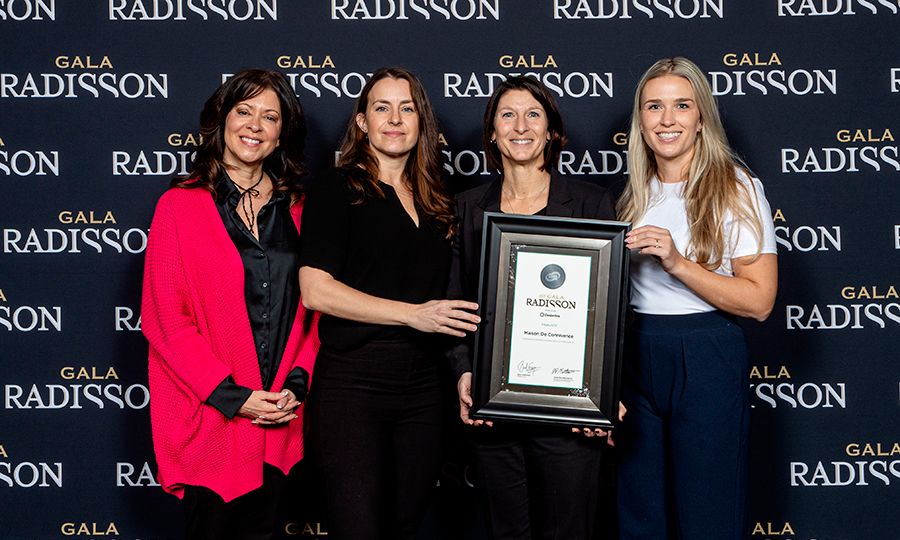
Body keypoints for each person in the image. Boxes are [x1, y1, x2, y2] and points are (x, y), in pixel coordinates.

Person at [298, 66, 480, 540]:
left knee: (405, 526)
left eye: (407, 108)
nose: (395, 119)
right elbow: (316, 290)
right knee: (358, 528)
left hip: (425, 386)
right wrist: (412, 314)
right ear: (362, 122)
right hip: (354, 383)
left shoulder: (440, 197)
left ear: (422, 121)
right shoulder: (337, 188)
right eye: (382, 107)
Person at [141, 68, 318, 540]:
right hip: (213, 423)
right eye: (244, 111)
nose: (255, 125)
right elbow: (167, 322)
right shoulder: (179, 206)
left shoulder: (300, 208)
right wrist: (235, 399)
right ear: (221, 120)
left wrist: (295, 386)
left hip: (282, 419)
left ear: (283, 133)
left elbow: (315, 312)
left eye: (270, 116)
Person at [448, 75, 618, 540]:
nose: (520, 126)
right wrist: (466, 373)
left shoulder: (590, 202)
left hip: (569, 411)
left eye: (533, 114)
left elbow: (613, 308)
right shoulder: (465, 208)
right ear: (491, 134)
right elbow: (454, 301)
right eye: (507, 115)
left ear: (551, 132)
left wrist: (602, 394)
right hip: (492, 408)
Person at [615, 57, 778, 540]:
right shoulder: (631, 193)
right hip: (635, 352)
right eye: (654, 107)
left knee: (706, 510)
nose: (667, 120)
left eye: (681, 106)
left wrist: (679, 261)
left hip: (704, 349)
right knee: (639, 513)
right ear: (640, 120)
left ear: (701, 116)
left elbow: (761, 301)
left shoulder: (736, 187)